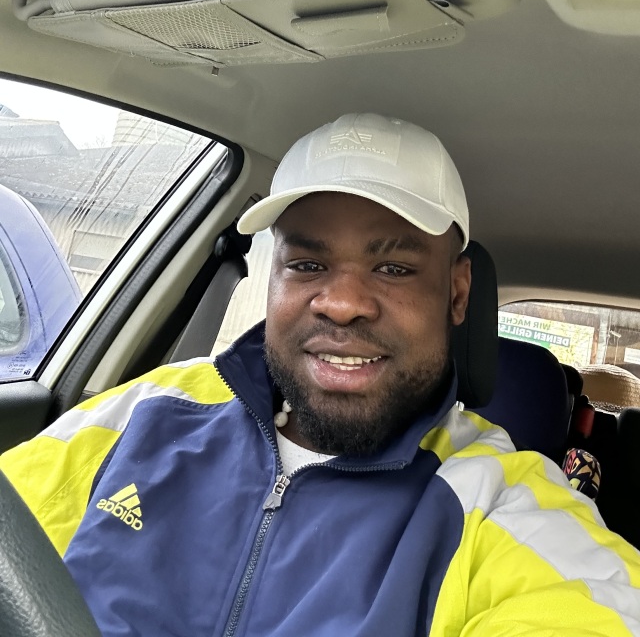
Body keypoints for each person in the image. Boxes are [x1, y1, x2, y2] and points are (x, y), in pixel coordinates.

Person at [1, 112, 640, 636]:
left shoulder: (499, 504)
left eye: (394, 269)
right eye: (307, 264)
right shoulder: (142, 414)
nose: (341, 303)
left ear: (457, 294)